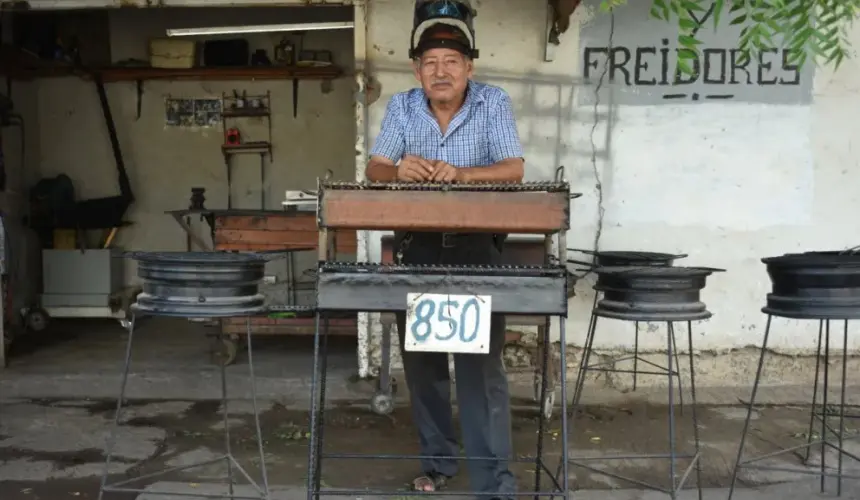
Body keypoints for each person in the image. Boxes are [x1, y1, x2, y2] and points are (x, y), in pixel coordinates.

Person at [364, 7, 525, 499]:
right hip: (418, 249)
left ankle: (494, 481)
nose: (440, 71)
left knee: (480, 370)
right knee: (424, 366)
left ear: (469, 67)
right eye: (429, 61)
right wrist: (399, 173)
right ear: (417, 70)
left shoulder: (492, 102)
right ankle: (438, 465)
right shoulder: (403, 106)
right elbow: (375, 169)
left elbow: (514, 169)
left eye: (451, 60)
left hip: (478, 251)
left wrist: (463, 174)